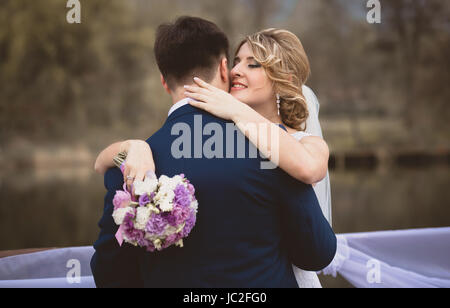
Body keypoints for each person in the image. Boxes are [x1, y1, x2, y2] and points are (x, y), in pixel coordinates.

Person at [90, 16, 336, 288]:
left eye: (251, 64)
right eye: (236, 62)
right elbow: (316, 253)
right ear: (223, 68)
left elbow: (110, 274)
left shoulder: (128, 168)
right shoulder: (270, 152)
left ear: (163, 80)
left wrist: (128, 148)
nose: (237, 71)